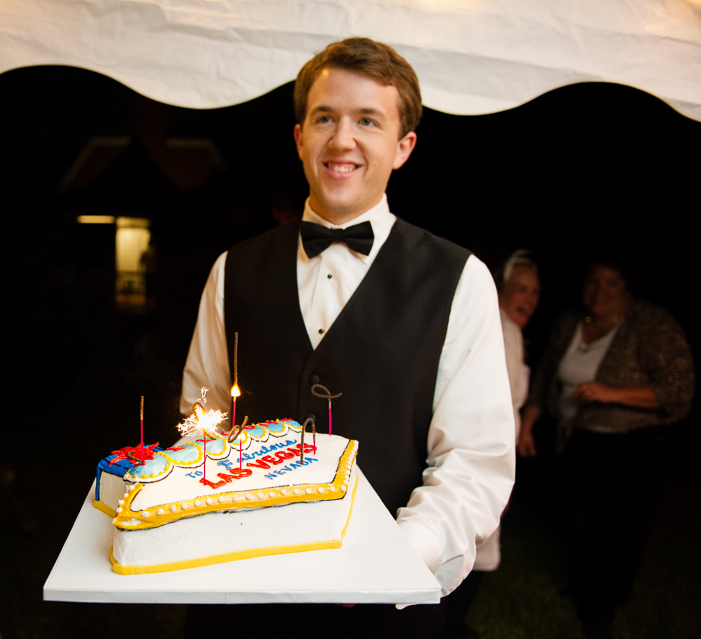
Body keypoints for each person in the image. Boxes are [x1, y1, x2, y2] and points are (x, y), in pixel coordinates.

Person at [181, 37, 515, 637]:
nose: (342, 140)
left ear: (403, 146)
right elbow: (201, 419)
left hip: (388, 607)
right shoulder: (231, 269)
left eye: (368, 120)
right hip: (242, 591)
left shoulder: (460, 280)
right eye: (325, 118)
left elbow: (473, 460)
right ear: (299, 136)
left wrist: (390, 558)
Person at [518, 260, 693, 637]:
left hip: (635, 447)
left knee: (620, 532)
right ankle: (590, 588)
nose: (600, 291)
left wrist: (613, 393)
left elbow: (679, 391)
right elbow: (546, 374)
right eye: (593, 281)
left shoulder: (651, 324)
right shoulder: (572, 320)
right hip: (580, 439)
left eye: (611, 282)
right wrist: (528, 422)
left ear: (627, 287)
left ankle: (600, 612)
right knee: (588, 521)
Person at [443, 250, 540, 638]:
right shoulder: (501, 329)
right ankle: (448, 623)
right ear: (499, 289)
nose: (529, 299)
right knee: (475, 541)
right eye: (520, 289)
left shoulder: (509, 331)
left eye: (535, 291)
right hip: (483, 455)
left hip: (496, 452)